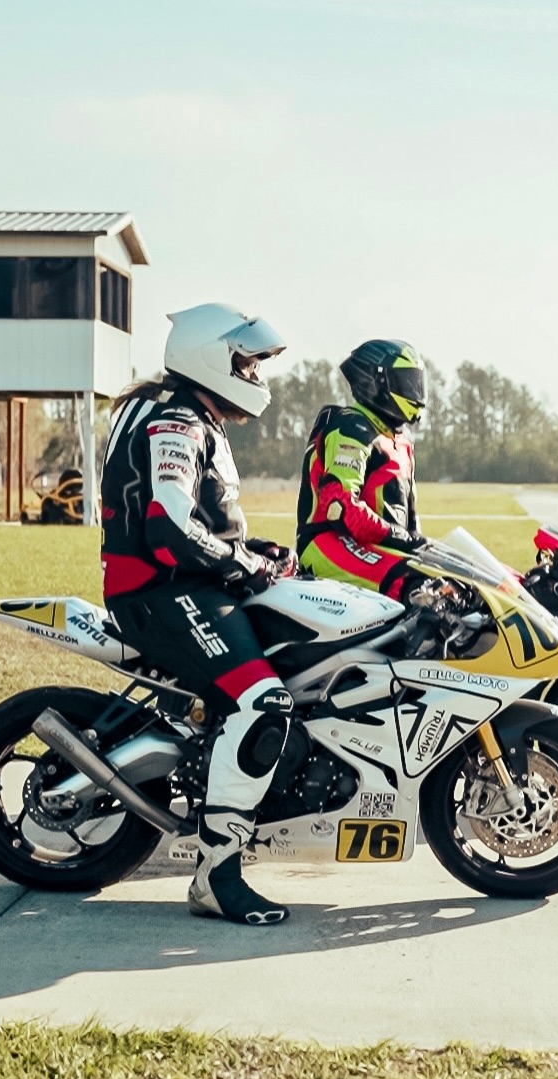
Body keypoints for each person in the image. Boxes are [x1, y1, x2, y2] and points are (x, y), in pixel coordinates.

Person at [100, 302, 297, 927]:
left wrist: (249, 550)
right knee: (262, 703)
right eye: (246, 362)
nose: (255, 376)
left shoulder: (184, 413)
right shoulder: (180, 421)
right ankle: (217, 876)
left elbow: (194, 524)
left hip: (178, 582)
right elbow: (170, 527)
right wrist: (241, 566)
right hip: (162, 589)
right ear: (209, 358)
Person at [296, 339, 428, 601]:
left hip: (383, 546)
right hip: (328, 540)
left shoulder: (401, 441)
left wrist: (422, 547)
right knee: (415, 586)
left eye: (416, 382)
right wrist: (401, 538)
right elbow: (340, 506)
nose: (414, 392)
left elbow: (412, 524)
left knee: (453, 585)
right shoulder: (352, 426)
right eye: (406, 382)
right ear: (376, 382)